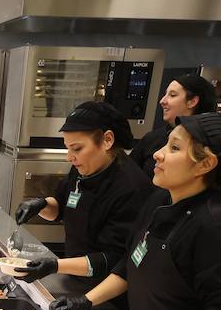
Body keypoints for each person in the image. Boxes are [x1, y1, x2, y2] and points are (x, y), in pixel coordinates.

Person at [51, 112, 221, 310]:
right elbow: (131, 262)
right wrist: (87, 300)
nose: (158, 154)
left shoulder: (214, 227)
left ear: (206, 163)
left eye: (174, 148)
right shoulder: (159, 200)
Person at [12, 102, 160, 299]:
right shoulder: (83, 167)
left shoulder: (132, 187)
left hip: (107, 294)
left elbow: (113, 258)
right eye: (67, 148)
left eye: (77, 148)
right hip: (74, 280)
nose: (69, 157)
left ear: (107, 140)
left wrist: (56, 265)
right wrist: (40, 205)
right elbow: (61, 206)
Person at [128, 74, 217, 179]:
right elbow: (128, 174)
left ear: (192, 101)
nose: (162, 101)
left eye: (172, 95)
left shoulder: (210, 144)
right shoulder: (152, 139)